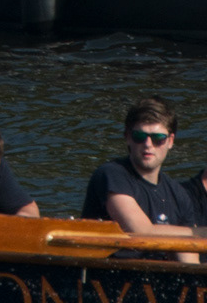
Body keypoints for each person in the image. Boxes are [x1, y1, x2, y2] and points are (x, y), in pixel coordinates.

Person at [81, 98, 195, 236]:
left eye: (158, 138)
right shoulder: (110, 175)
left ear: (170, 141)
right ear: (128, 137)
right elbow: (142, 232)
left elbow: (191, 249)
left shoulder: (179, 194)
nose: (148, 144)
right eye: (139, 136)